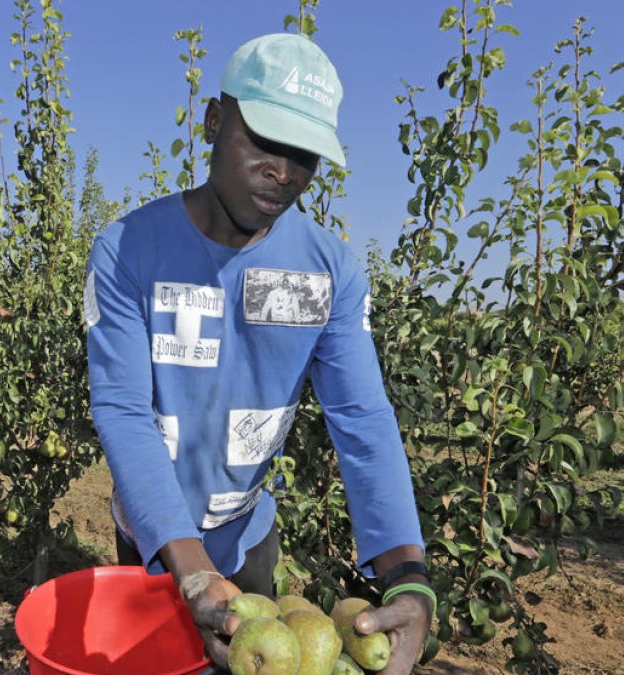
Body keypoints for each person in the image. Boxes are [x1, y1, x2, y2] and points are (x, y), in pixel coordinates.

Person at [84, 34, 432, 672]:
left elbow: (363, 418)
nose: (285, 172)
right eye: (265, 143)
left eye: (304, 155)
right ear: (215, 121)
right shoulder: (128, 250)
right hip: (156, 541)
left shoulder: (328, 272)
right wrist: (189, 573)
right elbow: (123, 410)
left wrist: (407, 573)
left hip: (248, 534)